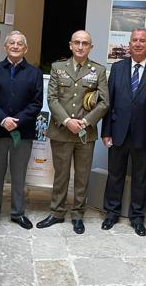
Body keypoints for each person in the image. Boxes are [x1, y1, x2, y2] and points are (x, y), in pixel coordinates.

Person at [36, 30, 108, 234]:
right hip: (61, 131)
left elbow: (104, 103)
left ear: (91, 47)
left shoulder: (99, 71)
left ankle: (78, 215)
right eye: (77, 42)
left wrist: (84, 122)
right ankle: (57, 212)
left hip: (85, 134)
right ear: (70, 45)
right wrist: (67, 121)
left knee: (82, 177)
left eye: (85, 43)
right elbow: (51, 99)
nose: (80, 46)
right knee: (61, 175)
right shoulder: (58, 68)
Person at [100, 28, 146, 236]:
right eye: (134, 40)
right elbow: (108, 103)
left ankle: (137, 216)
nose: (138, 44)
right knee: (115, 174)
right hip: (118, 132)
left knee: (140, 178)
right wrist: (106, 132)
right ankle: (112, 212)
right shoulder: (118, 68)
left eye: (142, 40)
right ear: (129, 44)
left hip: (144, 135)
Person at [0, 31, 43, 229]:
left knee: (19, 174)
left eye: (19, 44)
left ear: (26, 48)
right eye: (11, 43)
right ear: (6, 47)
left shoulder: (35, 73)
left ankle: (18, 213)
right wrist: (3, 119)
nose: (15, 46)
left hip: (22, 133)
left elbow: (36, 103)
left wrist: (18, 121)